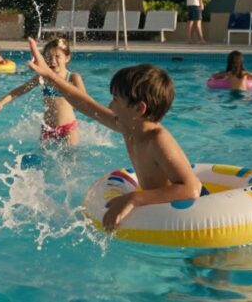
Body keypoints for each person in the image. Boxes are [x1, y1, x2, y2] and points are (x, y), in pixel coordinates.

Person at [22, 37, 201, 232]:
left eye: (116, 100)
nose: (110, 106)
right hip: (157, 213)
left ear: (139, 109)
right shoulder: (128, 128)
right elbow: (86, 105)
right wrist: (49, 75)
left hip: (187, 217)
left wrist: (134, 198)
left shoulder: (158, 139)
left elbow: (192, 189)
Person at [0, 37, 86, 144]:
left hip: (68, 129)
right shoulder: (44, 77)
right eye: (49, 57)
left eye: (57, 56)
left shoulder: (73, 78)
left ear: (67, 58)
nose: (53, 60)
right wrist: (1, 102)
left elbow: (85, 102)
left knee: (71, 157)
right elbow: (22, 89)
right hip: (47, 129)